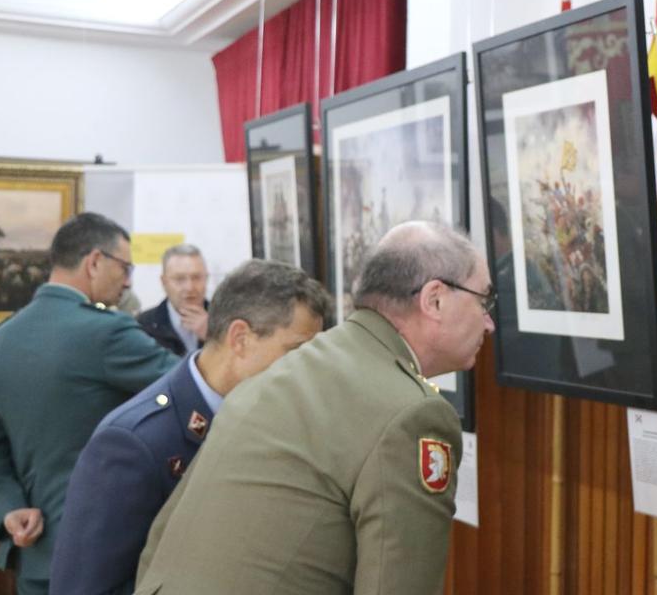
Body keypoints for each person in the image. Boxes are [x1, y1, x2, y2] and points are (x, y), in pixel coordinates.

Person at [135, 221, 495, 595]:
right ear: (434, 299)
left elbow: (160, 543)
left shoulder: (285, 372)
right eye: (483, 300)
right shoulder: (412, 414)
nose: (488, 323)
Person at [50, 259, 332, 595]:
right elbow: (84, 587)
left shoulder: (278, 420)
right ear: (240, 338)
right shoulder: (134, 442)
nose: (308, 370)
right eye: (296, 351)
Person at [0, 213, 179, 595]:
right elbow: (190, 386)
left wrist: (8, 509)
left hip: (36, 556)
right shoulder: (105, 332)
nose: (127, 280)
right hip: (106, 553)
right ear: (95, 261)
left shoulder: (2, 339)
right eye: (125, 267)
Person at [137, 244, 210, 356]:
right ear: (164, 282)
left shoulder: (226, 320)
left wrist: (213, 336)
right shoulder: (143, 326)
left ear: (206, 279)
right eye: (179, 279)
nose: (189, 287)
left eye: (196, 278)